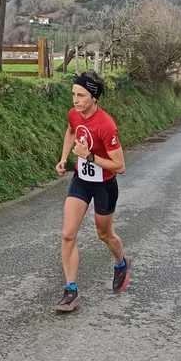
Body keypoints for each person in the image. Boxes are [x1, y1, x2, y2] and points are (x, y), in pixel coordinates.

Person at [54, 70, 130, 312]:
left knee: (104, 235)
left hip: (104, 184)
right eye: (73, 94)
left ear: (94, 97)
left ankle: (121, 263)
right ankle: (71, 290)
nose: (75, 100)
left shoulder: (106, 125)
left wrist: (89, 156)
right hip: (82, 180)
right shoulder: (74, 114)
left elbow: (120, 166)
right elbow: (71, 131)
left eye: (81, 95)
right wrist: (64, 158)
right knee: (68, 234)